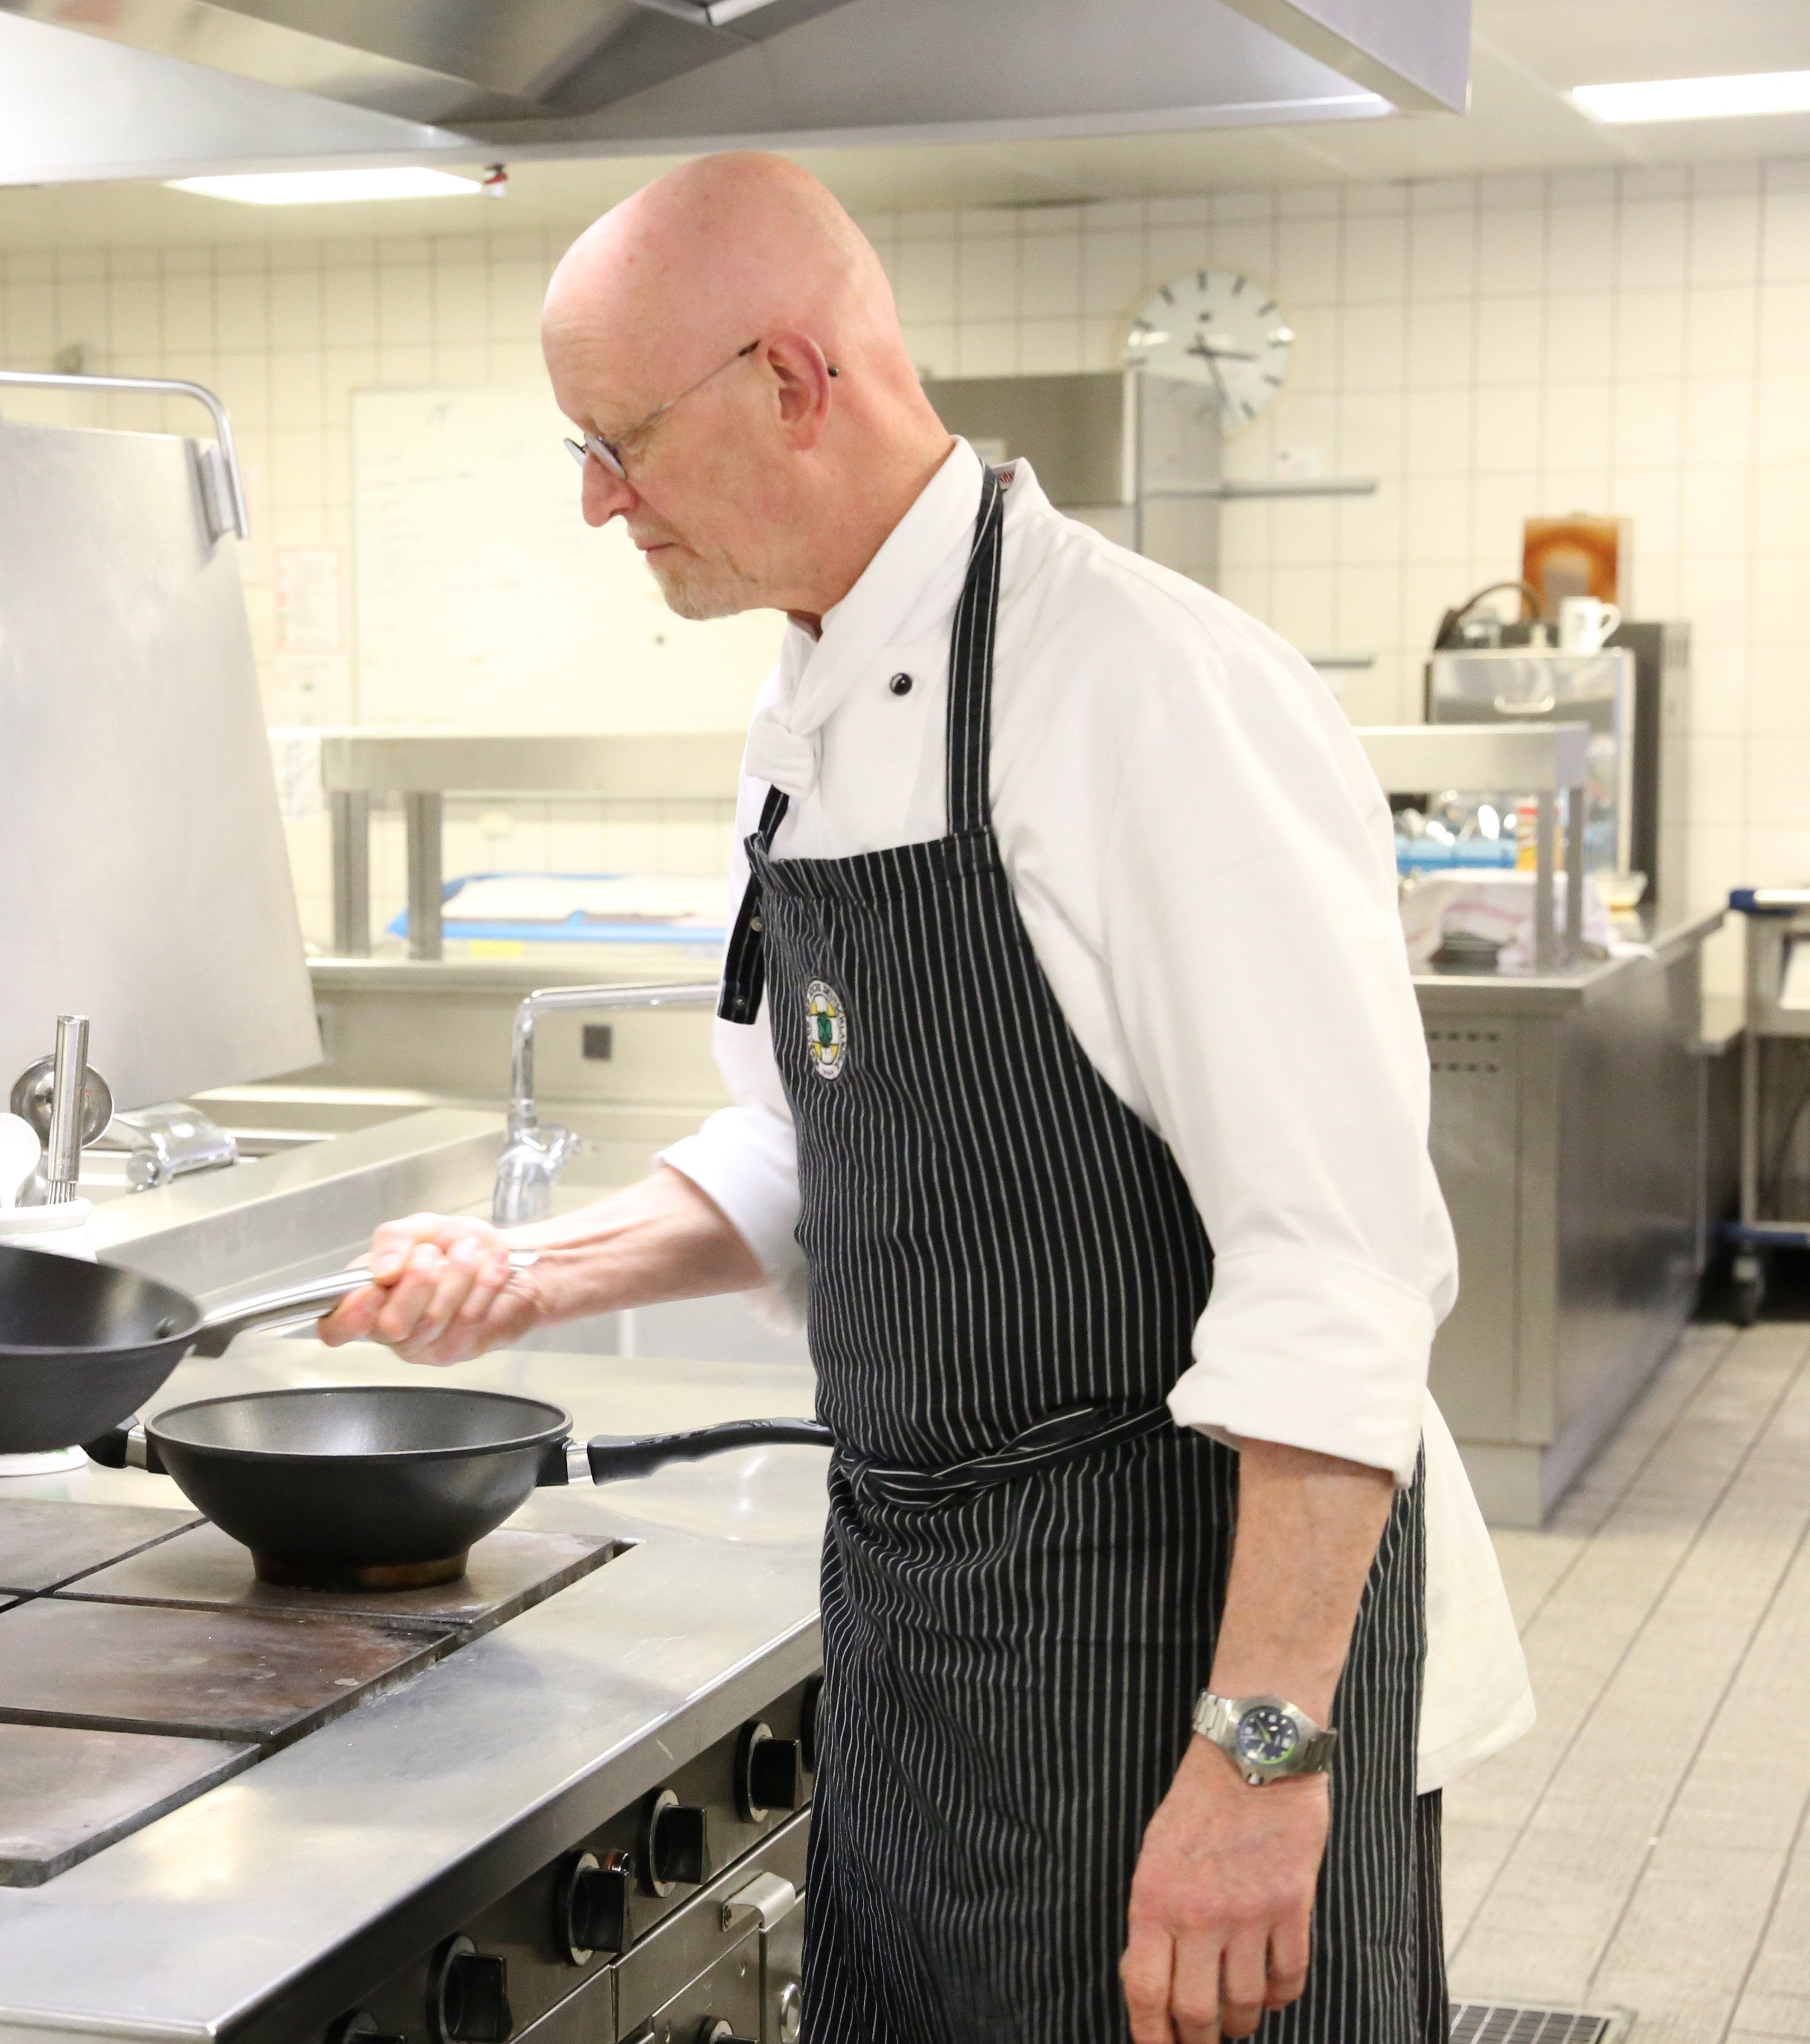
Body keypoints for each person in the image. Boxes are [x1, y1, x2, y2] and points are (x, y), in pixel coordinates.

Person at [313, 154, 1530, 2044]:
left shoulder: (1145, 690)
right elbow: (819, 1144)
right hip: (928, 1620)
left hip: (1178, 1634)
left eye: (619, 441)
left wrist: (1262, 1757)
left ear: (795, 379)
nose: (592, 504)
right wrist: (535, 1273)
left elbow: (1341, 1268)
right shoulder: (801, 715)